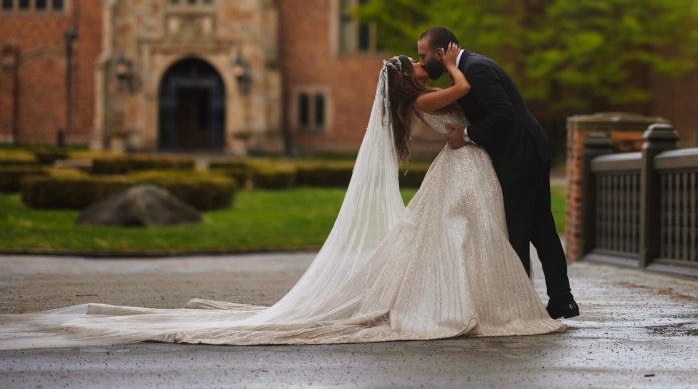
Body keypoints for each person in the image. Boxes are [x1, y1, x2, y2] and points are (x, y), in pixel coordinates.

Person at [0, 45, 564, 349]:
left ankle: (499, 299)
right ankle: (485, 303)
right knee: (462, 238)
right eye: (418, 63)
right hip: (463, 167)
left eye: (422, 57)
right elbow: (464, 94)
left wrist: (453, 88)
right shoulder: (430, 99)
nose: (422, 63)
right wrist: (453, 66)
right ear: (411, 80)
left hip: (468, 168)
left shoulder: (419, 99)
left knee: (463, 239)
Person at [417, 27, 579, 319]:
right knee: (540, 230)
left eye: (423, 55)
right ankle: (561, 300)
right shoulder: (466, 70)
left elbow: (503, 114)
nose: (423, 61)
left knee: (519, 230)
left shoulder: (476, 69)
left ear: (440, 53)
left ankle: (520, 307)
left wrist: (466, 134)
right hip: (521, 154)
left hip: (522, 156)